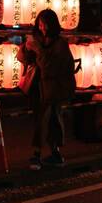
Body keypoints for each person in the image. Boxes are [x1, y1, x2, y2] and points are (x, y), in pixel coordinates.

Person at [18, 9, 76, 170]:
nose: (42, 28)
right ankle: (55, 154)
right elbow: (23, 59)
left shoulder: (60, 44)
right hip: (37, 87)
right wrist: (25, 47)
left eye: (45, 24)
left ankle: (37, 155)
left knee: (45, 121)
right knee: (47, 121)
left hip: (52, 89)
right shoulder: (39, 40)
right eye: (40, 24)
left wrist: (38, 50)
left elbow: (50, 68)